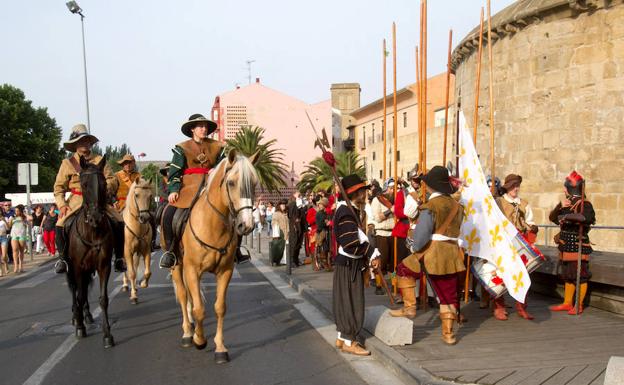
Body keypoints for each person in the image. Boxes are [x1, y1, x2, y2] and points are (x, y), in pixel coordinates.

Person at [392, 166, 465, 345]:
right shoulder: (458, 206)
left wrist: (414, 246)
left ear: (431, 186)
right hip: (452, 252)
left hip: (431, 251)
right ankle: (448, 334)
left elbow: (422, 235)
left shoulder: (430, 206)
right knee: (448, 293)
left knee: (403, 269)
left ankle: (409, 307)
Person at [53, 124, 126, 274]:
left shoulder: (99, 160)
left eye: (87, 141)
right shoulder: (67, 164)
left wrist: (105, 189)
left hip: (98, 199)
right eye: (82, 141)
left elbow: (112, 180)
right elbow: (58, 188)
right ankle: (63, 259)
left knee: (119, 221)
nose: (85, 144)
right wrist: (61, 205)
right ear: (75, 145)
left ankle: (119, 258)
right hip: (77, 200)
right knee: (60, 224)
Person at [159, 114, 225, 268]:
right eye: (200, 126)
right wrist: (174, 190)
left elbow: (225, 164)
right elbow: (174, 173)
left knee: (233, 212)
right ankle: (170, 252)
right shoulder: (182, 148)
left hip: (212, 185)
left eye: (205, 126)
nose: (204, 129)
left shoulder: (218, 146)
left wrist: (216, 169)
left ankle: (235, 251)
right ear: (192, 129)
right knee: (168, 214)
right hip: (188, 187)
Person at [332, 174, 380, 356]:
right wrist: (369, 251)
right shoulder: (345, 213)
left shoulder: (349, 210)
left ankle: (341, 337)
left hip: (349, 264)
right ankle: (349, 340)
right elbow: (350, 243)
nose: (365, 195)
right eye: (362, 191)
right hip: (348, 265)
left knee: (347, 301)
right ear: (356, 193)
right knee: (351, 303)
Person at [490, 174, 539, 320]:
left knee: (523, 275)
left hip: (521, 243)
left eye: (517, 186)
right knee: (501, 275)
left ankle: (521, 306)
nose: (515, 189)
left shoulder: (524, 204)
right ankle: (499, 307)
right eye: (512, 186)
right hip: (502, 242)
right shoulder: (497, 202)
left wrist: (533, 230)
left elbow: (530, 222)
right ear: (507, 187)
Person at [549, 171, 596, 315]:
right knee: (568, 275)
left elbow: (585, 218)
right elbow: (553, 218)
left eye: (565, 187)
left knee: (580, 276)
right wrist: (559, 207)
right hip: (565, 245)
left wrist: (567, 215)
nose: (564, 190)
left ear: (570, 188)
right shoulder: (567, 203)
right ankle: (567, 303)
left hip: (578, 245)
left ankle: (579, 305)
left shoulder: (584, 204)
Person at [370, 179, 395, 295]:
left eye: (394, 188)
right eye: (390, 188)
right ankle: (379, 285)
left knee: (394, 263)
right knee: (381, 262)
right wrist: (390, 210)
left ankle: (395, 285)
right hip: (382, 233)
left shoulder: (395, 200)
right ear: (386, 189)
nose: (393, 190)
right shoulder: (377, 200)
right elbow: (377, 218)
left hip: (393, 233)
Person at [287, 191, 306, 267]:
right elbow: (290, 215)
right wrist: (296, 219)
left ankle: (296, 259)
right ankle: (291, 261)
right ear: (294, 195)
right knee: (293, 244)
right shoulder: (292, 204)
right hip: (294, 227)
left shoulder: (300, 204)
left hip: (300, 227)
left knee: (298, 244)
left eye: (300, 195)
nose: (299, 196)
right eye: (298, 195)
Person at [314, 197, 332, 272]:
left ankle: (325, 264)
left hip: (325, 231)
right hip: (321, 232)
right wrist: (326, 223)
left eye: (321, 204)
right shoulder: (320, 213)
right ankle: (324, 264)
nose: (320, 205)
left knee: (325, 248)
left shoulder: (324, 213)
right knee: (322, 248)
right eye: (320, 204)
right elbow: (320, 224)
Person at [270, 199, 289, 266]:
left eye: (284, 204)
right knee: (280, 248)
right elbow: (273, 222)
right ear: (279, 205)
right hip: (280, 233)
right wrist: (277, 228)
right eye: (282, 204)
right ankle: (277, 260)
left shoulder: (285, 213)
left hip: (286, 233)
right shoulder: (276, 213)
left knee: (286, 247)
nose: (284, 206)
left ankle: (285, 260)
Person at [10, 205, 28, 273]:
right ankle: (16, 266)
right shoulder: (13, 217)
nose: (16, 212)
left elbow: (31, 219)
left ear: (21, 211)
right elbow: (9, 227)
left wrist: (25, 214)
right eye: (15, 210)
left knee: (21, 251)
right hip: (14, 235)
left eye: (17, 211)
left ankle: (21, 265)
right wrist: (10, 221)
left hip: (22, 235)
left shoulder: (24, 217)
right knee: (15, 250)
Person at [0, 203, 10, 276]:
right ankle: (0, 270)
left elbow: (8, 228)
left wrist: (5, 221)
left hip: (3, 237)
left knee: (4, 255)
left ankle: (6, 264)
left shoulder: (4, 218)